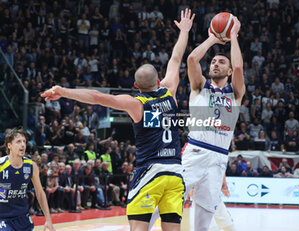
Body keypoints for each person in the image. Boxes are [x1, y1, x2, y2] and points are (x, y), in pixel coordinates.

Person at [42, 9, 195, 231]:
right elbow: (175, 58)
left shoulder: (137, 103)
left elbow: (97, 97)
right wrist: (184, 31)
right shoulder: (169, 92)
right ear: (159, 81)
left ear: (136, 86)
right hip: (174, 172)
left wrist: (62, 90)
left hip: (150, 172)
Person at [152, 16, 244, 231]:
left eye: (221, 62)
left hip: (219, 156)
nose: (215, 63)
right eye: (213, 61)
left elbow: (239, 68)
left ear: (228, 72)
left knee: (204, 216)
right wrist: (212, 39)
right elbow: (192, 59)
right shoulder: (200, 86)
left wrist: (233, 37)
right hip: (196, 151)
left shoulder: (235, 93)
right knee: (170, 198)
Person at [0, 127, 55, 231]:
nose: (22, 145)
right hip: (2, 218)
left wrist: (48, 219)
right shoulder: (1, 165)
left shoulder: (31, 166)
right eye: (18, 141)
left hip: (22, 217)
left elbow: (40, 193)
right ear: (9, 145)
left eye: (24, 141)